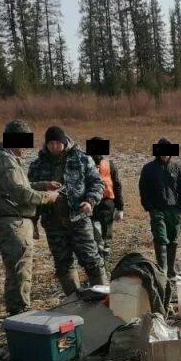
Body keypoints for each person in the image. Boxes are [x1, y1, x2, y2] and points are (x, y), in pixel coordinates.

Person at [0, 120, 61, 315]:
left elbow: (20, 187)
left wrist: (42, 185)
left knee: (17, 270)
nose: (28, 148)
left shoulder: (6, 158)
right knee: (20, 271)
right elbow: (19, 192)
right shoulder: (4, 159)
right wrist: (47, 198)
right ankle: (20, 312)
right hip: (11, 222)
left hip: (12, 221)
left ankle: (17, 310)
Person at [28, 126, 107, 294]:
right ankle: (74, 300)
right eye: (51, 143)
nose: (54, 147)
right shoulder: (37, 165)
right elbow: (31, 195)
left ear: (64, 142)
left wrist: (90, 201)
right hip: (53, 223)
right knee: (63, 263)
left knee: (92, 260)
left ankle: (104, 299)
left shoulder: (82, 159)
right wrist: (33, 223)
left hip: (79, 219)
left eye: (58, 143)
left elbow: (97, 183)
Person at [138, 137, 181, 279]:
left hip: (174, 210)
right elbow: (143, 189)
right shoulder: (148, 168)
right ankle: (162, 271)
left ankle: (171, 271)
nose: (165, 154)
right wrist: (150, 208)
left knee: (173, 239)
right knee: (160, 239)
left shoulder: (177, 168)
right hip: (157, 210)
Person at [88, 136, 124, 270]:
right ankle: (97, 267)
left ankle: (104, 267)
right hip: (89, 206)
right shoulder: (84, 164)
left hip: (106, 205)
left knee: (106, 240)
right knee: (93, 239)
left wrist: (120, 208)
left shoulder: (109, 165)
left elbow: (117, 186)